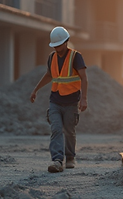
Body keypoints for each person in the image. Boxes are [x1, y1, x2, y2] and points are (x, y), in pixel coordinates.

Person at [30, 26, 88, 173]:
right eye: (54, 45)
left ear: (66, 42)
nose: (56, 48)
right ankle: (57, 160)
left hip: (71, 102)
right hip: (55, 101)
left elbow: (84, 78)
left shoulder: (76, 57)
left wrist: (84, 99)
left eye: (58, 45)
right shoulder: (52, 57)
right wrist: (36, 89)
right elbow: (49, 75)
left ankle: (70, 158)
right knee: (56, 129)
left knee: (69, 131)